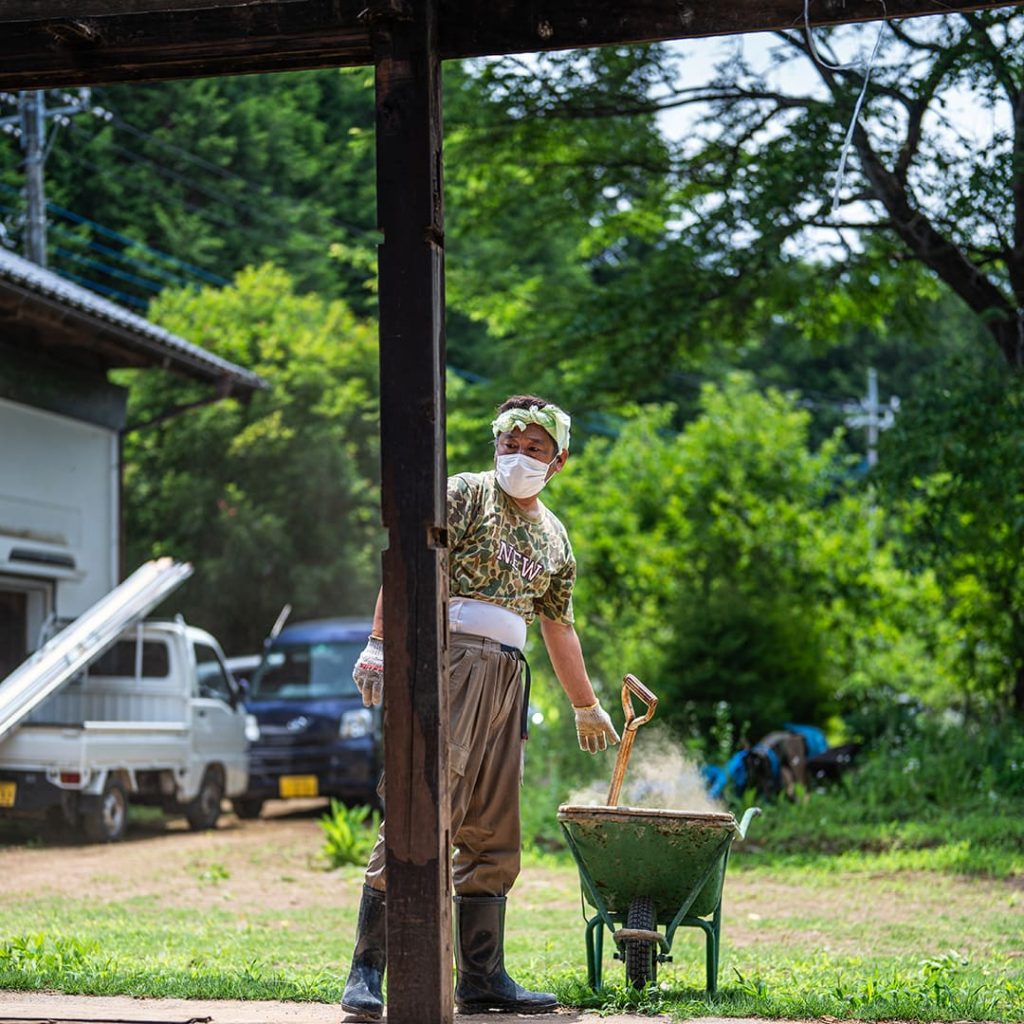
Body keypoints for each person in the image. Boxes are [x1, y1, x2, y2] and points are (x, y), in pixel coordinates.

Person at [340, 394, 621, 1020]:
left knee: (494, 828)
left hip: (509, 674)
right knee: (426, 803)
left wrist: (586, 705)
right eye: (510, 445)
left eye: (535, 449)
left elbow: (558, 625)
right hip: (453, 660)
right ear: (496, 445)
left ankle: (482, 977)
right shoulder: (465, 492)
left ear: (559, 462)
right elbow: (406, 562)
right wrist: (380, 644)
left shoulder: (554, 534)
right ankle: (367, 972)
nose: (519, 457)